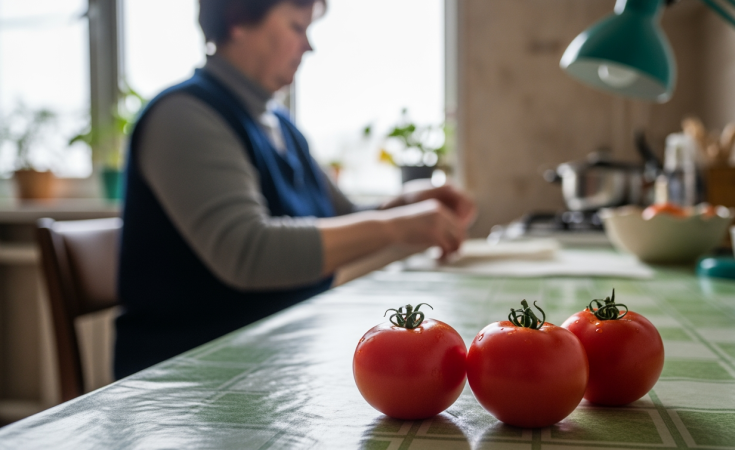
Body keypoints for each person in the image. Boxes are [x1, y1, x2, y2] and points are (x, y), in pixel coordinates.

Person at [115, 0, 475, 378]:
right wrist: (397, 227)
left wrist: (406, 203)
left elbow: (341, 218)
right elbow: (248, 251)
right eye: (296, 27)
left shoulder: (280, 124)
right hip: (189, 378)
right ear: (238, 21)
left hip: (276, 362)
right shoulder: (183, 116)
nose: (309, 46)